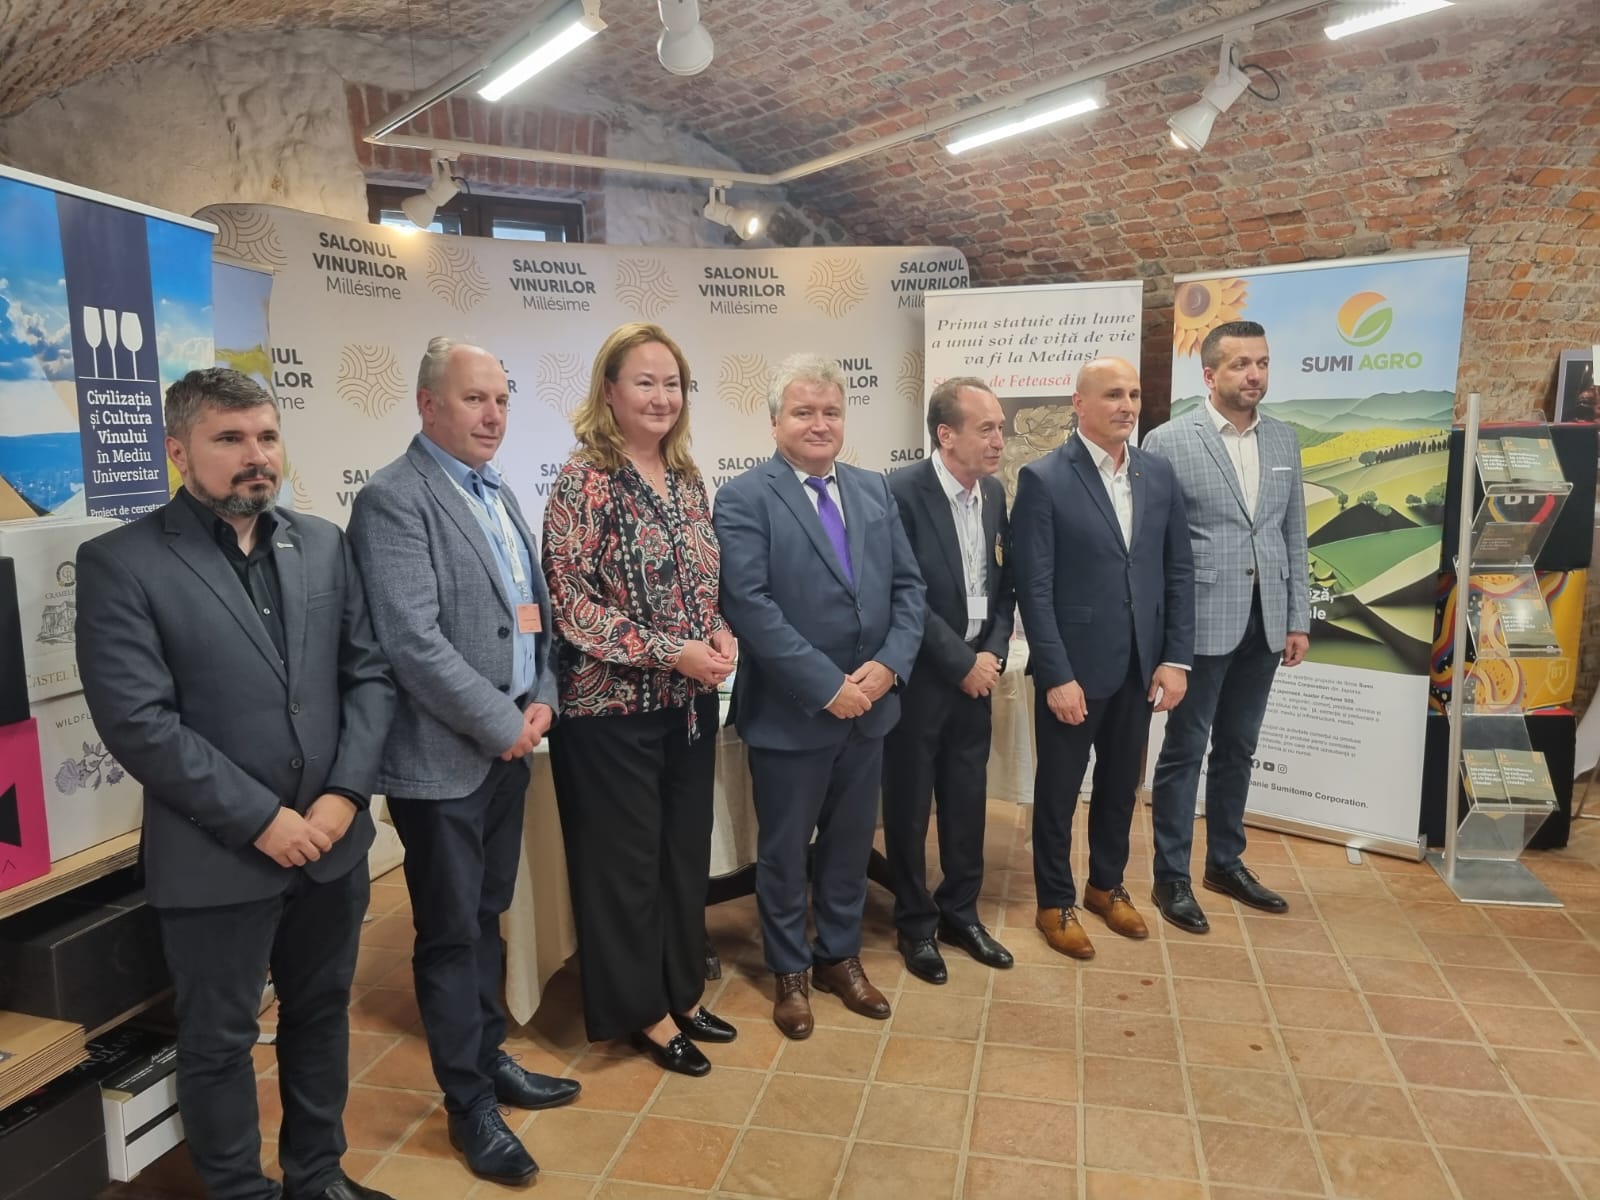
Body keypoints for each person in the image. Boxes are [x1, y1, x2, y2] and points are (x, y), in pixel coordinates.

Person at [76, 368, 396, 1200]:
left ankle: (317, 1175)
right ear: (178, 451)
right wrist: (262, 819)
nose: (257, 456)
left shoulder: (322, 541)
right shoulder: (122, 563)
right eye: (230, 438)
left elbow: (367, 676)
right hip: (217, 854)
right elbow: (138, 722)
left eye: (267, 436)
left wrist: (344, 796)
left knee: (320, 1014)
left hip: (330, 844)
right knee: (219, 1040)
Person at [347, 338, 579, 1189]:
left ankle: (488, 1057)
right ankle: (468, 1103)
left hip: (509, 746)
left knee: (486, 920)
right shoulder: (392, 499)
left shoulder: (497, 490)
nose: (493, 415)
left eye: (502, 400)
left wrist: (542, 695)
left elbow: (533, 618)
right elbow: (412, 642)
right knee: (450, 936)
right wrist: (500, 722)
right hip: (443, 763)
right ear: (427, 405)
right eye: (475, 399)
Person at [542, 323, 736, 1078]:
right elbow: (573, 606)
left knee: (682, 858)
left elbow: (702, 588)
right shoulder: (583, 480)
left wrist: (718, 633)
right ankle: (642, 1013)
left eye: (672, 383)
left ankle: (681, 991)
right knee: (623, 870)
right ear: (610, 390)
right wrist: (669, 650)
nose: (661, 397)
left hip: (688, 707)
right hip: (609, 713)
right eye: (645, 382)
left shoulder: (687, 477)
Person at [714, 353, 925, 1038]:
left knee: (850, 844)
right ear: (775, 421)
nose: (819, 423)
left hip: (871, 710)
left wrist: (889, 667)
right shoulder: (744, 498)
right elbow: (749, 605)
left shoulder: (873, 490)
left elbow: (909, 590)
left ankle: (839, 956)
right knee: (783, 852)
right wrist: (826, 685)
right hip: (792, 714)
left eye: (831, 411)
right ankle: (790, 970)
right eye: (803, 411)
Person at [1011, 357, 1195, 960]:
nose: (1128, 406)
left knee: (1121, 786)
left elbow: (1177, 571)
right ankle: (1054, 901)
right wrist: (1056, 674)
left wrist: (1176, 658)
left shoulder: (1157, 473)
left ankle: (1105, 886)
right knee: (1059, 792)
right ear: (1079, 403)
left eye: (1135, 395)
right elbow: (1034, 589)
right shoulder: (1044, 478)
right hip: (1075, 670)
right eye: (1114, 394)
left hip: (1141, 665)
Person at [1142, 320, 1309, 933]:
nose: (1255, 375)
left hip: (1266, 623)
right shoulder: (1167, 441)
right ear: (1209, 374)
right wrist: (1166, 640)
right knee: (1184, 751)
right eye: (1241, 364)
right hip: (1200, 624)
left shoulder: (1284, 439)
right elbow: (1154, 549)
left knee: (1239, 747)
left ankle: (1225, 862)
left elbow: (1293, 533)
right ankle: (1172, 876)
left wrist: (1296, 618)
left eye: (1262, 363)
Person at [882, 377, 1016, 984]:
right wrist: (960, 663)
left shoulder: (994, 493)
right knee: (909, 807)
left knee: (967, 801)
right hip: (922, 679)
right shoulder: (900, 491)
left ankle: (961, 912)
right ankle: (915, 923)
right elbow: (901, 594)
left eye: (999, 428)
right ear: (946, 434)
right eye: (986, 429)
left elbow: (1002, 587)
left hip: (978, 676)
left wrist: (990, 654)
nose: (999, 440)